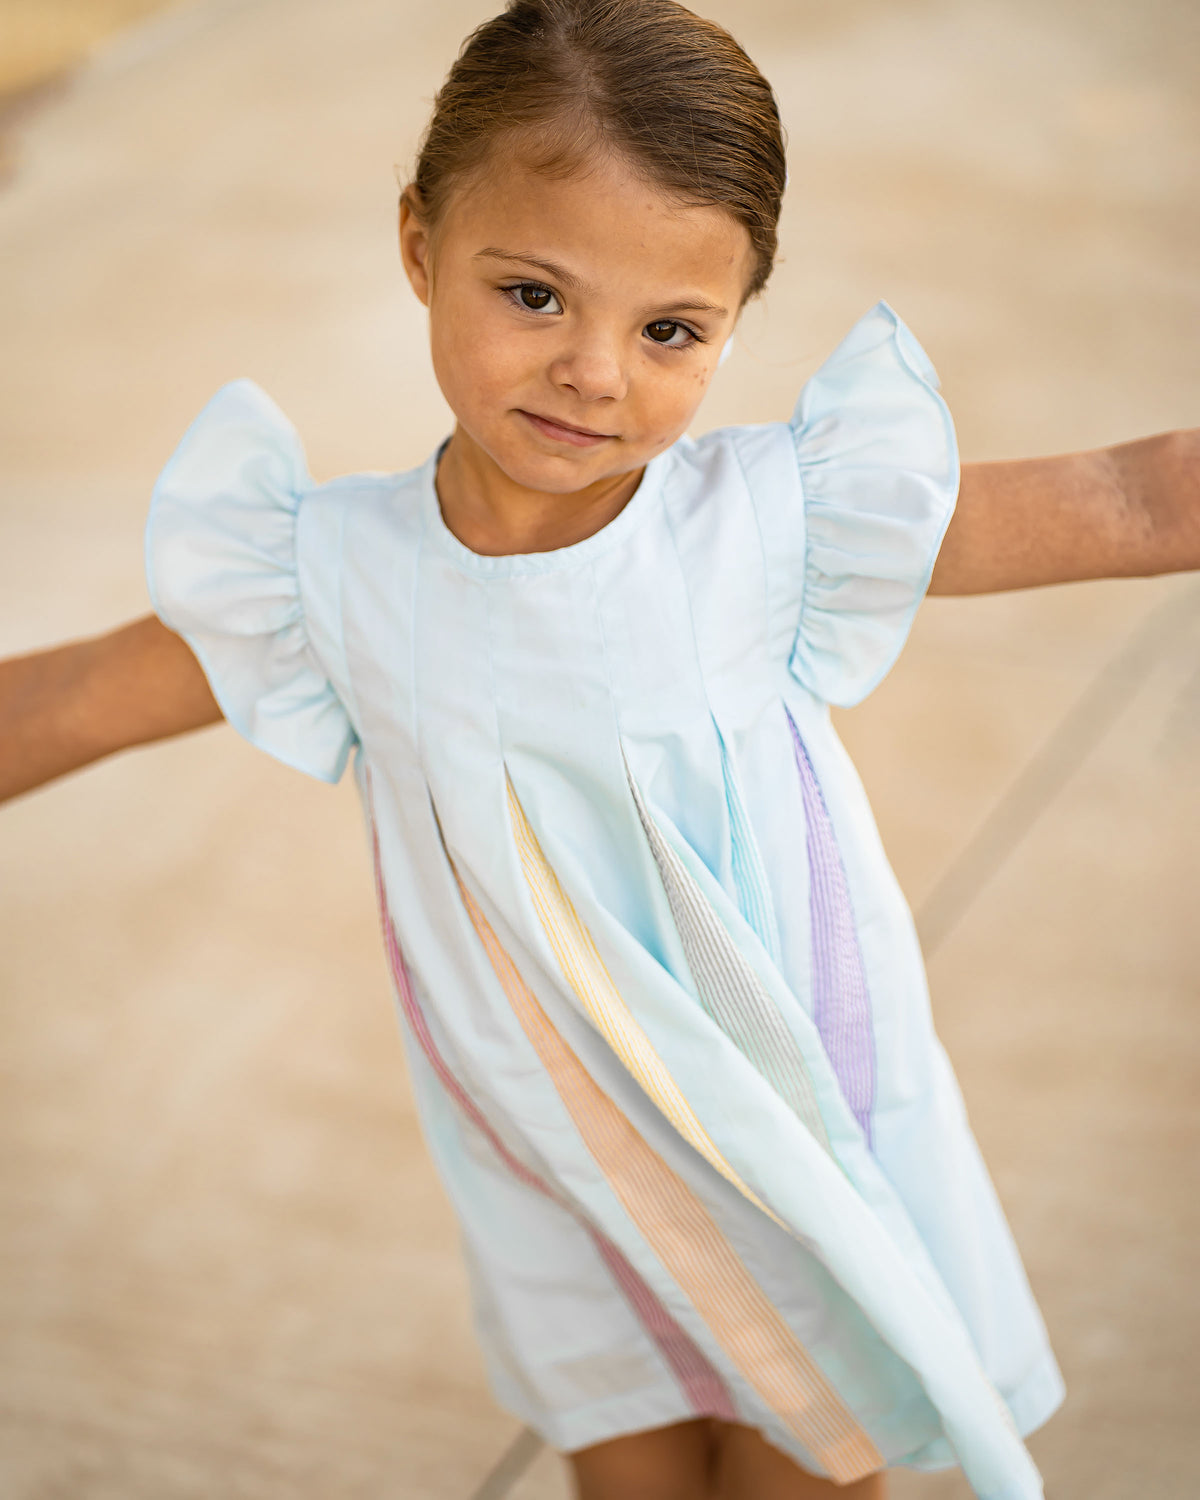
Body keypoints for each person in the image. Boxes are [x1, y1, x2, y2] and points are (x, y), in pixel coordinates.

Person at [0, 1, 1196, 1496]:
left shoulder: (768, 527)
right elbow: (69, 700)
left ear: (735, 324)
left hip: (780, 1133)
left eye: (671, 330)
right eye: (535, 294)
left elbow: (1143, 500)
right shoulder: (332, 575)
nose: (596, 373)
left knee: (805, 1459)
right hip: (547, 1151)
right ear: (420, 245)